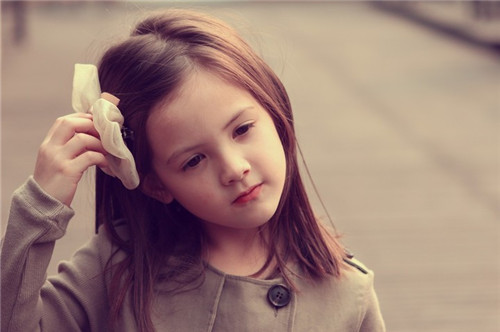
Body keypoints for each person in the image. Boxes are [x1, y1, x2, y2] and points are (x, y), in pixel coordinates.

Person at [1, 8, 385, 332]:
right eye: (193, 160)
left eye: (242, 129)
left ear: (276, 113)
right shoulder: (119, 269)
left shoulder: (347, 292)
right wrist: (39, 208)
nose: (234, 168)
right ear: (155, 184)